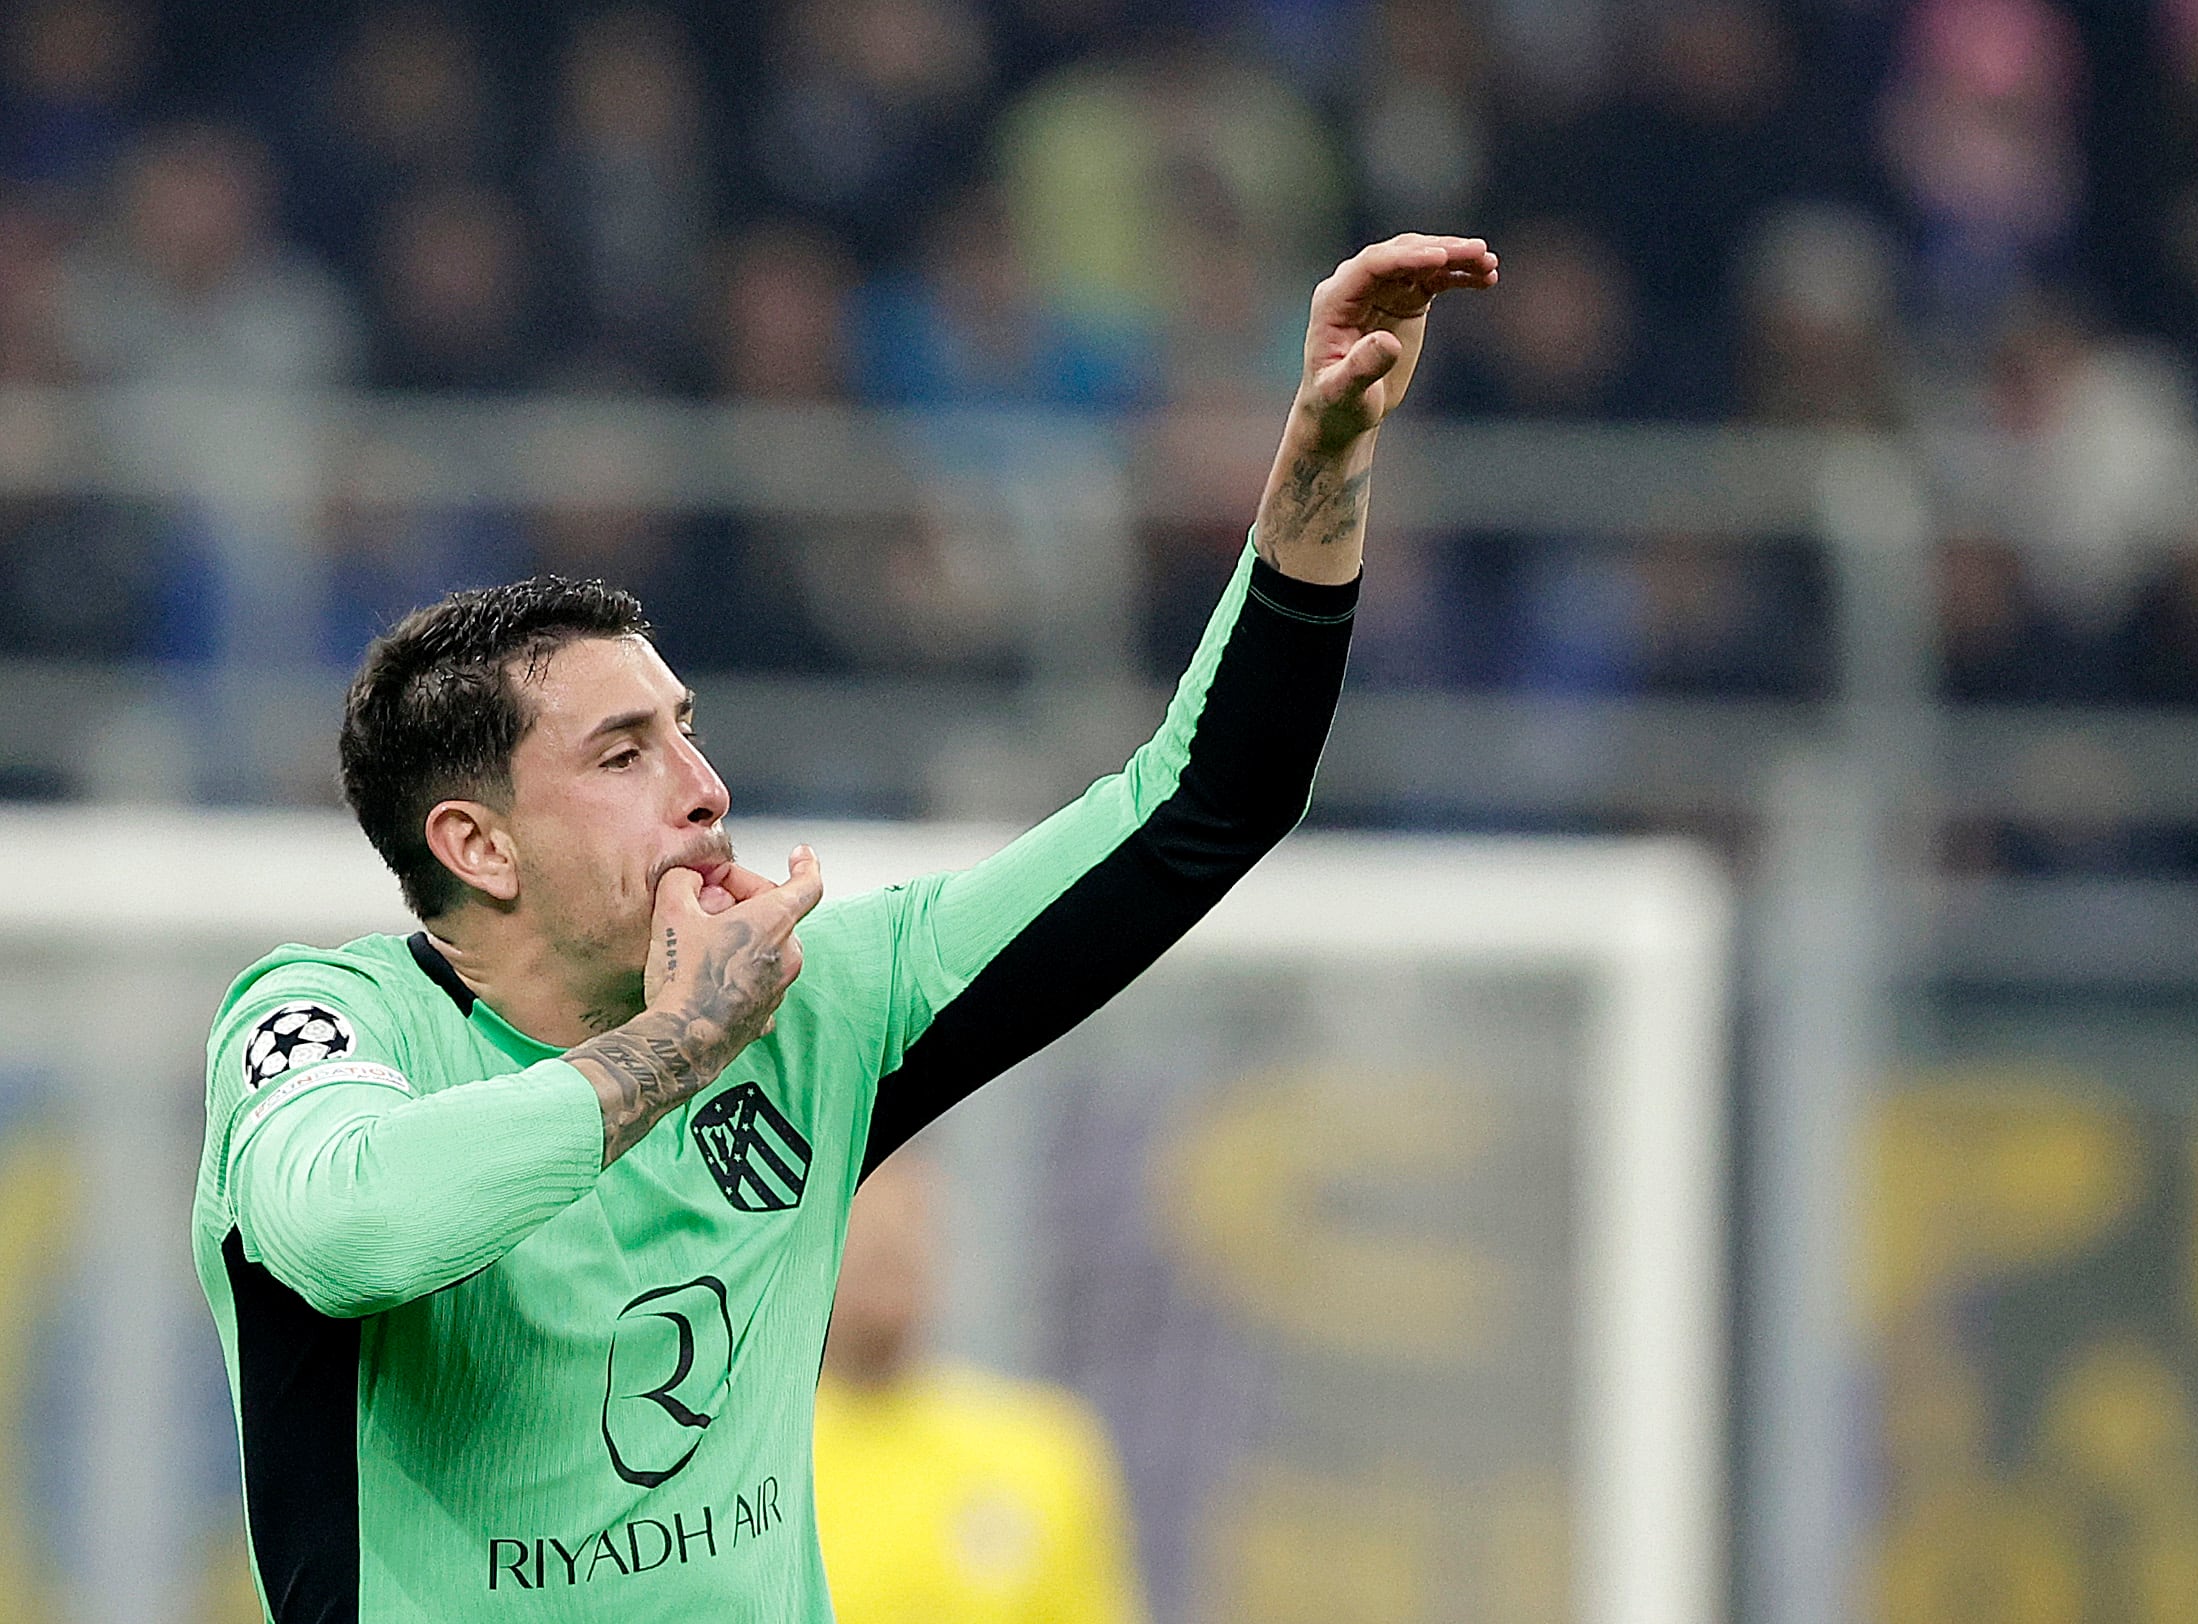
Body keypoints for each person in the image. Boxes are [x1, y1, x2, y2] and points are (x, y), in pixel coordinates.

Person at [189, 231, 1497, 1622]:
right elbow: (352, 1231)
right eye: (626, 756)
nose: (706, 790)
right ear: (476, 845)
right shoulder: (322, 1023)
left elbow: (1202, 803)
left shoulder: (814, 1006)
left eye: (687, 733)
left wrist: (1324, 458)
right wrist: (681, 1043)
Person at [815, 1152, 1145, 1624]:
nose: (890, 1246)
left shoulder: (1043, 1448)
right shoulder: (753, 1457)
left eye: (909, 1225)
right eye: (861, 1232)